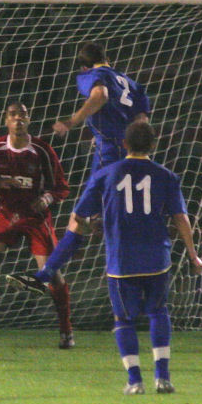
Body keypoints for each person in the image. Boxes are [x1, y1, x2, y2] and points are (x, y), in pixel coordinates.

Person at [8, 121, 202, 394]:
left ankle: (135, 381)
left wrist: (91, 227)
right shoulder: (166, 176)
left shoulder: (106, 174)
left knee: (123, 320)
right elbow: (181, 218)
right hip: (157, 258)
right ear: (153, 145)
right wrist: (194, 255)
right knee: (159, 312)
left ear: (124, 144)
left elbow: (78, 217)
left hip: (121, 261)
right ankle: (163, 378)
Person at [33, 41, 151, 283]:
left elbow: (100, 95)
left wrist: (71, 122)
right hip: (133, 153)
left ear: (84, 67)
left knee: (80, 219)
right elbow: (141, 123)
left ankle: (42, 278)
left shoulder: (93, 76)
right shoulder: (132, 83)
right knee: (116, 216)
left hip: (108, 155)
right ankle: (141, 273)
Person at [0, 101, 73, 348]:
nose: (18, 119)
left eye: (23, 115)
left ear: (29, 119)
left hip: (36, 218)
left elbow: (61, 187)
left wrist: (45, 199)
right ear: (6, 120)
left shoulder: (42, 150)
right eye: (13, 115)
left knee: (53, 274)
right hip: (5, 213)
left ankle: (66, 331)